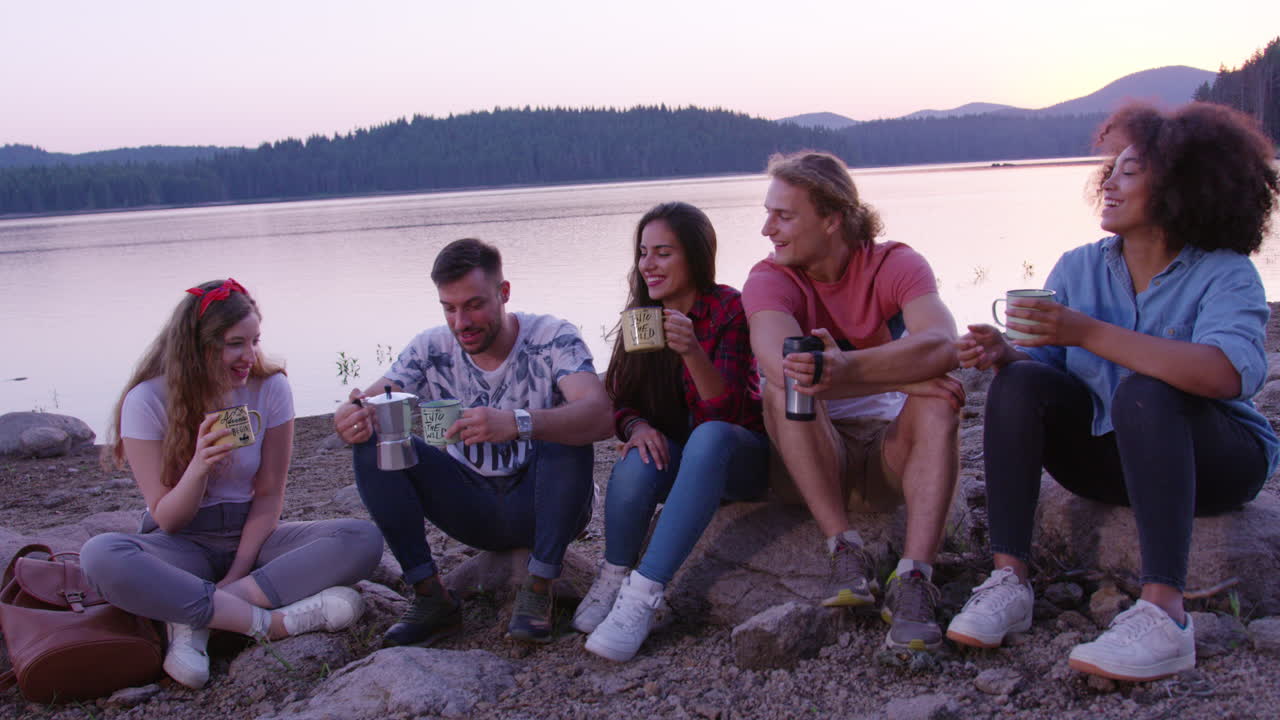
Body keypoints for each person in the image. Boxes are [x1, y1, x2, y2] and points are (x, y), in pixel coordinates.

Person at [948, 102, 1279, 681]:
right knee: (1020, 383)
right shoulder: (1079, 267)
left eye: (1131, 172)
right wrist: (1007, 354)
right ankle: (1009, 581)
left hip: (1216, 464)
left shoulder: (1225, 272)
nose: (1110, 184)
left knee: (1145, 391)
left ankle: (1164, 615)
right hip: (1110, 457)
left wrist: (1089, 332)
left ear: (1183, 186)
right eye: (1112, 170)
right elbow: (1048, 370)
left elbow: (1226, 373)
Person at [81, 279, 383, 690]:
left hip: (253, 541)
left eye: (255, 341)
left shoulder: (270, 388)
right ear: (197, 348)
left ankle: (197, 614)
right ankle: (271, 623)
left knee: (360, 537)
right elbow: (167, 519)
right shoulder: (147, 401)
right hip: (181, 544)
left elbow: (269, 493)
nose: (249, 356)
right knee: (101, 555)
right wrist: (200, 466)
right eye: (235, 344)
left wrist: (236, 576)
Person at [336, 238, 612, 647]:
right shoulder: (431, 348)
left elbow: (600, 413)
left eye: (474, 304)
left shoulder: (552, 336)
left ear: (504, 293)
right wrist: (351, 415)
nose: (461, 321)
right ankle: (431, 597)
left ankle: (538, 589)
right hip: (470, 507)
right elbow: (372, 400)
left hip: (548, 505)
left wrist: (518, 423)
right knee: (375, 443)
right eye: (449, 307)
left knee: (560, 429)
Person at [741, 151, 963, 652]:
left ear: (832, 218)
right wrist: (903, 378)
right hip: (816, 460)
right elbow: (782, 365)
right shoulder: (770, 277)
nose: (766, 229)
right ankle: (844, 548)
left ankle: (914, 580)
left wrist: (854, 369)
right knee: (785, 387)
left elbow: (942, 345)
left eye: (783, 215)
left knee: (941, 396)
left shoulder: (895, 263)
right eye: (767, 212)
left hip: (889, 460)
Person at [571, 202, 768, 662]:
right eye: (643, 253)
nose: (648, 265)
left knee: (710, 436)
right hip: (685, 462)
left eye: (663, 253)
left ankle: (642, 599)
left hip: (741, 459)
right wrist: (636, 426)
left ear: (695, 257)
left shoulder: (729, 310)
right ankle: (615, 577)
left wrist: (693, 352)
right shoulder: (643, 317)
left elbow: (732, 414)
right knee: (640, 456)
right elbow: (620, 401)